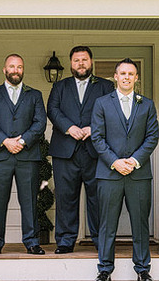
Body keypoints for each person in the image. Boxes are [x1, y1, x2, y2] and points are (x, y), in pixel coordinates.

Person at [91, 58, 159, 281]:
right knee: (107, 223)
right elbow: (97, 137)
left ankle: (142, 269)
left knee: (140, 223)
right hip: (109, 173)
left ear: (136, 78)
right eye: (123, 73)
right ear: (116, 76)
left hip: (138, 174)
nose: (127, 77)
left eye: (131, 74)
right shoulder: (102, 103)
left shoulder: (147, 104)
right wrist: (115, 162)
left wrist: (134, 161)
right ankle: (104, 269)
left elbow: (152, 137)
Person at [47, 46, 114, 253]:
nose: (81, 64)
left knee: (97, 198)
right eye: (76, 60)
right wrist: (69, 127)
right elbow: (53, 110)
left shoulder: (105, 86)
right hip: (65, 151)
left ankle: (99, 239)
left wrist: (93, 128)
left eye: (84, 60)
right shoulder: (60, 86)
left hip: (95, 151)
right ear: (70, 64)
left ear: (91, 62)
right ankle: (66, 241)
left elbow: (112, 112)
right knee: (66, 198)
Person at [0, 54, 47, 255]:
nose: (16, 70)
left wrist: (22, 141)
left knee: (29, 201)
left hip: (27, 156)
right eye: (12, 66)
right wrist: (5, 141)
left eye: (19, 66)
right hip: (0, 155)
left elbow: (40, 123)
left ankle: (32, 241)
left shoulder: (34, 95)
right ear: (4, 69)